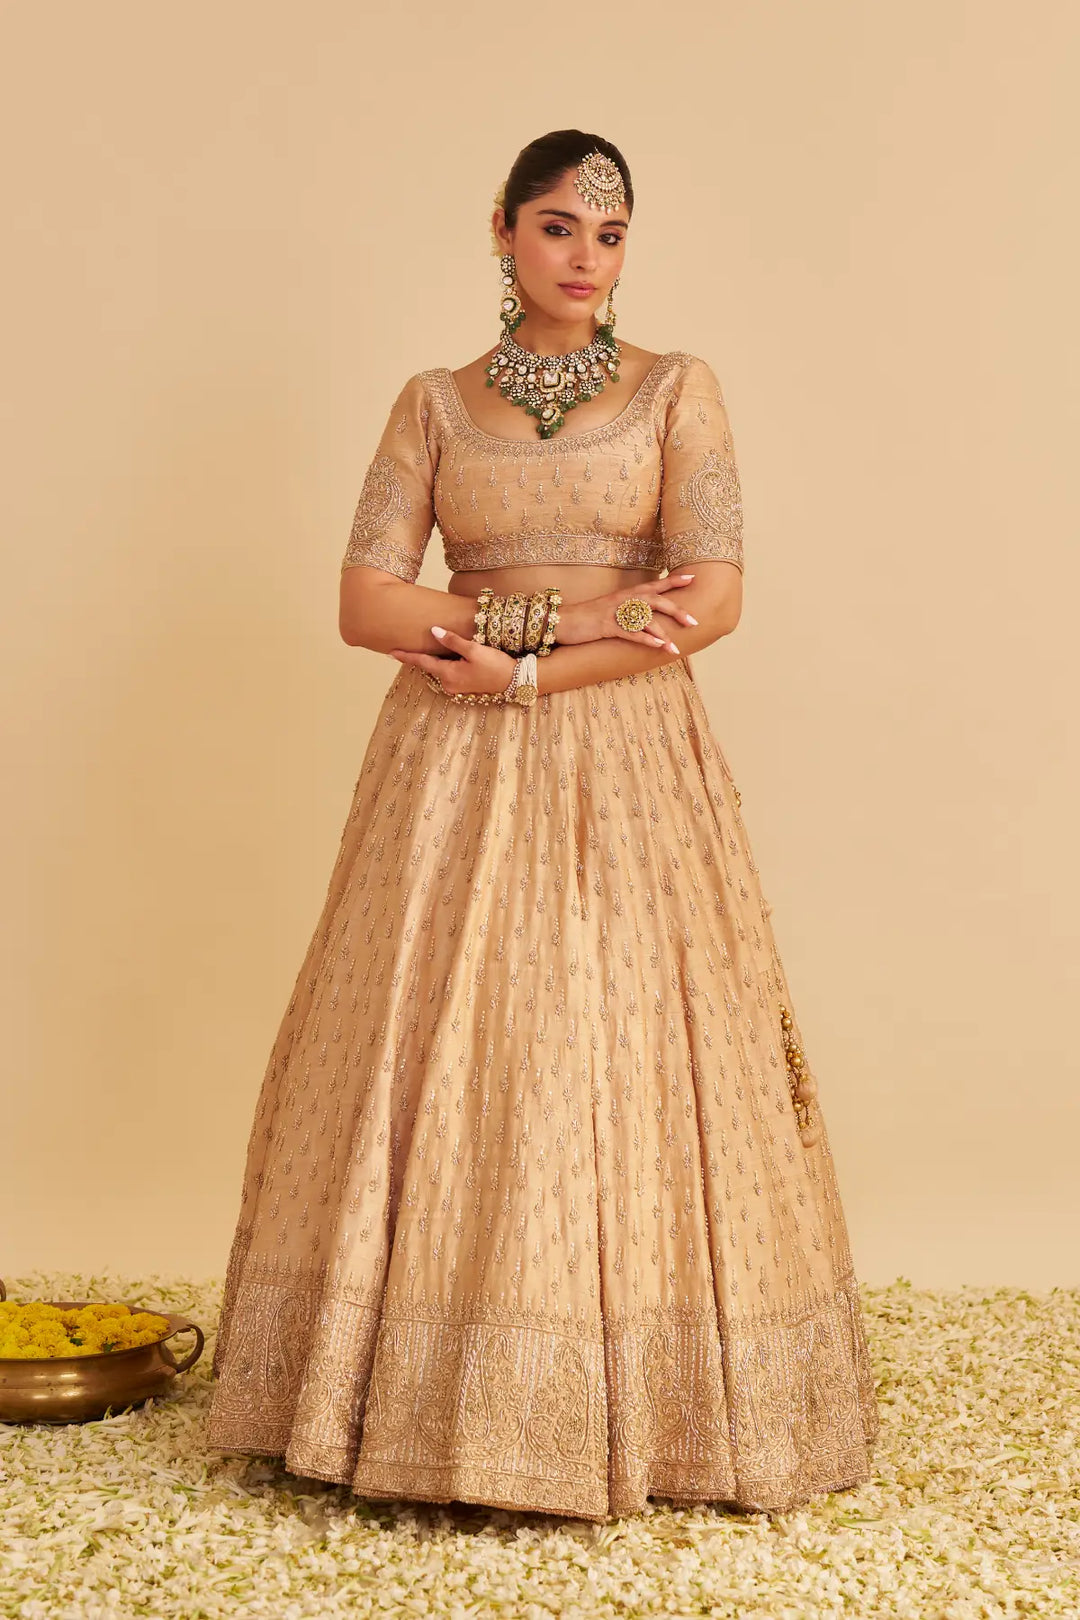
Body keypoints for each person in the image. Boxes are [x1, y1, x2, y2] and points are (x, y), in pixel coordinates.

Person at [205, 128, 880, 1523]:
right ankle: (418, 1400)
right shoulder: (434, 407)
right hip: (448, 771)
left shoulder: (679, 393)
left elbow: (713, 598)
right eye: (562, 227)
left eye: (613, 235)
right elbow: (364, 605)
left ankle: (653, 1407)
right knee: (456, 1038)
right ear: (502, 231)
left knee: (622, 1038)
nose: (588, 257)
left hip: (623, 755)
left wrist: (532, 660)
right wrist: (567, 621)